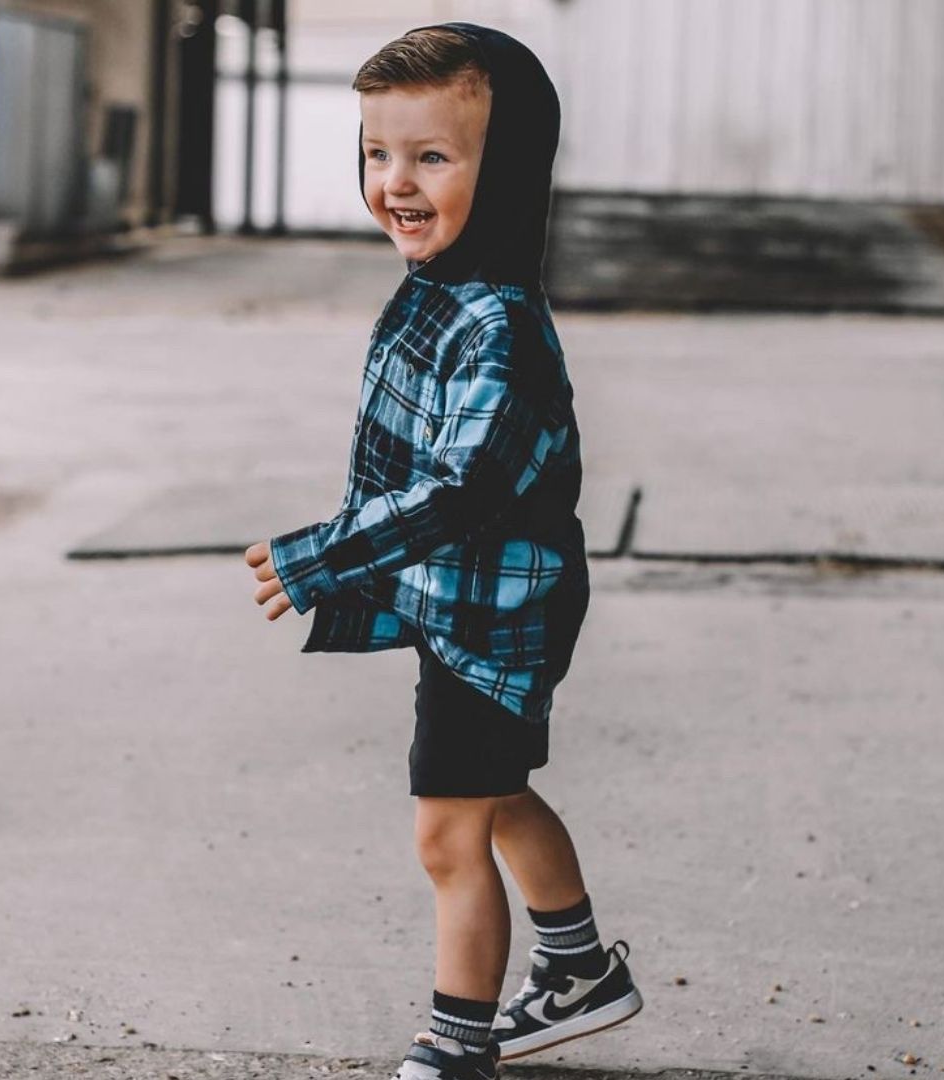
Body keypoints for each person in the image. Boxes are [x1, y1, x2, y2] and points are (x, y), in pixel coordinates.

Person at [245, 22, 642, 1080]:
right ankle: (580, 970)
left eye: (433, 155)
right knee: (499, 792)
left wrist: (323, 557)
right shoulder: (444, 292)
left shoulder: (496, 327)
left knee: (446, 833)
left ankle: (456, 1045)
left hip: (498, 610)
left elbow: (460, 487)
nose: (395, 181)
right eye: (378, 152)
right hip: (466, 603)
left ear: (502, 171)